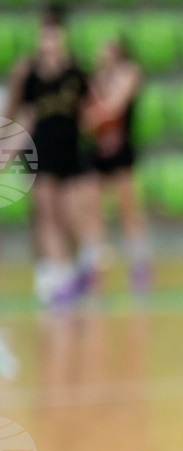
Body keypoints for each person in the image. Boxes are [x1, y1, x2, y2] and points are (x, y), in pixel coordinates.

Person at [3, 3, 105, 310]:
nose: (49, 41)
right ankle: (58, 276)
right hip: (40, 150)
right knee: (46, 213)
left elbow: (92, 109)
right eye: (45, 35)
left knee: (69, 215)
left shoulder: (75, 73)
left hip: (70, 151)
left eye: (54, 35)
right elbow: (14, 112)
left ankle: (76, 267)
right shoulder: (29, 74)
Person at [86, 36, 150, 294]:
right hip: (98, 151)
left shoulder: (129, 73)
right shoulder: (95, 79)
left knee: (128, 210)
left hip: (122, 150)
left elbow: (114, 107)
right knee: (95, 213)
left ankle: (139, 265)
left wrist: (93, 115)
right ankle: (97, 268)